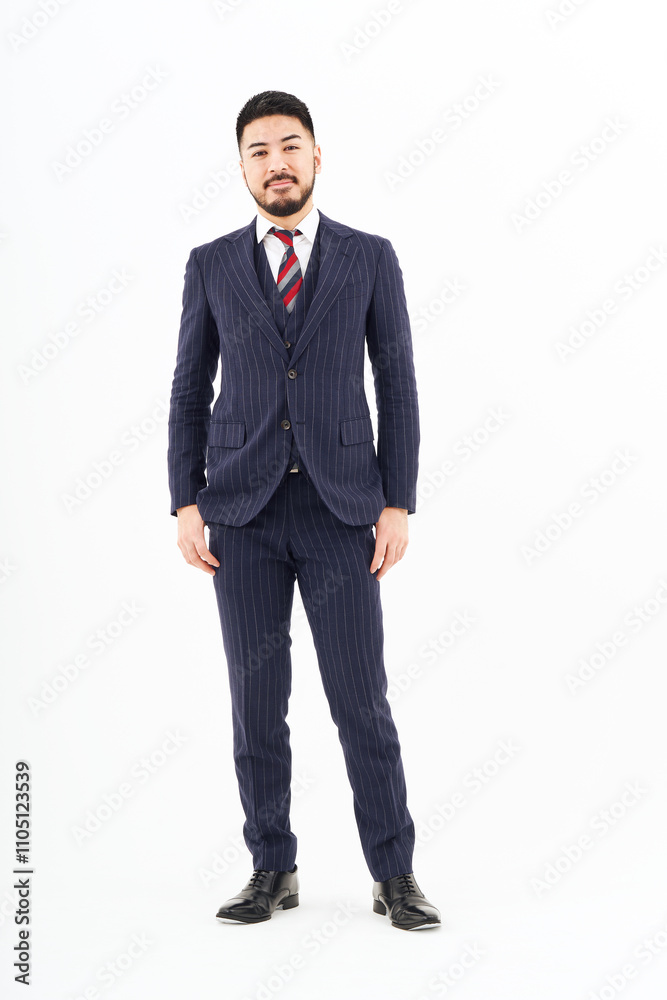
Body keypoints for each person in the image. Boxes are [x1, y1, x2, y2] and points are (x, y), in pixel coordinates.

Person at [167, 90, 440, 931]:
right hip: (240, 512)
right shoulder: (210, 264)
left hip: (341, 510)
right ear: (241, 166)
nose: (276, 163)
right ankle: (271, 867)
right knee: (256, 705)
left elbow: (396, 380)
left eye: (289, 146)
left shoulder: (369, 257)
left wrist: (397, 501)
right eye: (258, 151)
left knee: (361, 701)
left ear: (316, 156)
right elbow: (188, 388)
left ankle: (393, 875)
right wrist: (184, 501)